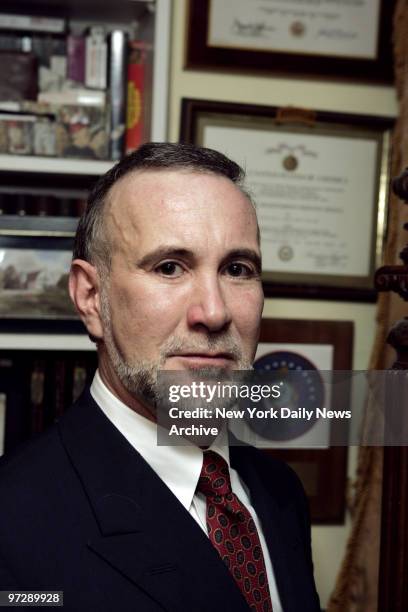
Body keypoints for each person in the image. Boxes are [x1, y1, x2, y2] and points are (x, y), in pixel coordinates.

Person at [0, 143, 320, 611]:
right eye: (170, 267)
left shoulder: (279, 492)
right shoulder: (14, 519)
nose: (213, 312)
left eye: (237, 269)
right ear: (91, 297)